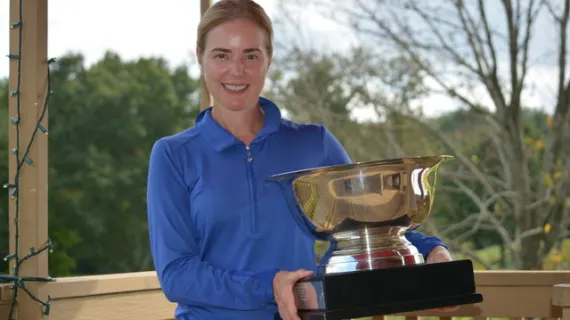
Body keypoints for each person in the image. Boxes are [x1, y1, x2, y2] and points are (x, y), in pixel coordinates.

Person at [146, 0, 454, 319]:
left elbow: (364, 228)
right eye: (221, 55)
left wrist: (431, 249)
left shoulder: (313, 143)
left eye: (251, 55)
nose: (236, 70)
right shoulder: (173, 155)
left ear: (268, 59)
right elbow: (177, 275)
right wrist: (271, 286)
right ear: (200, 57)